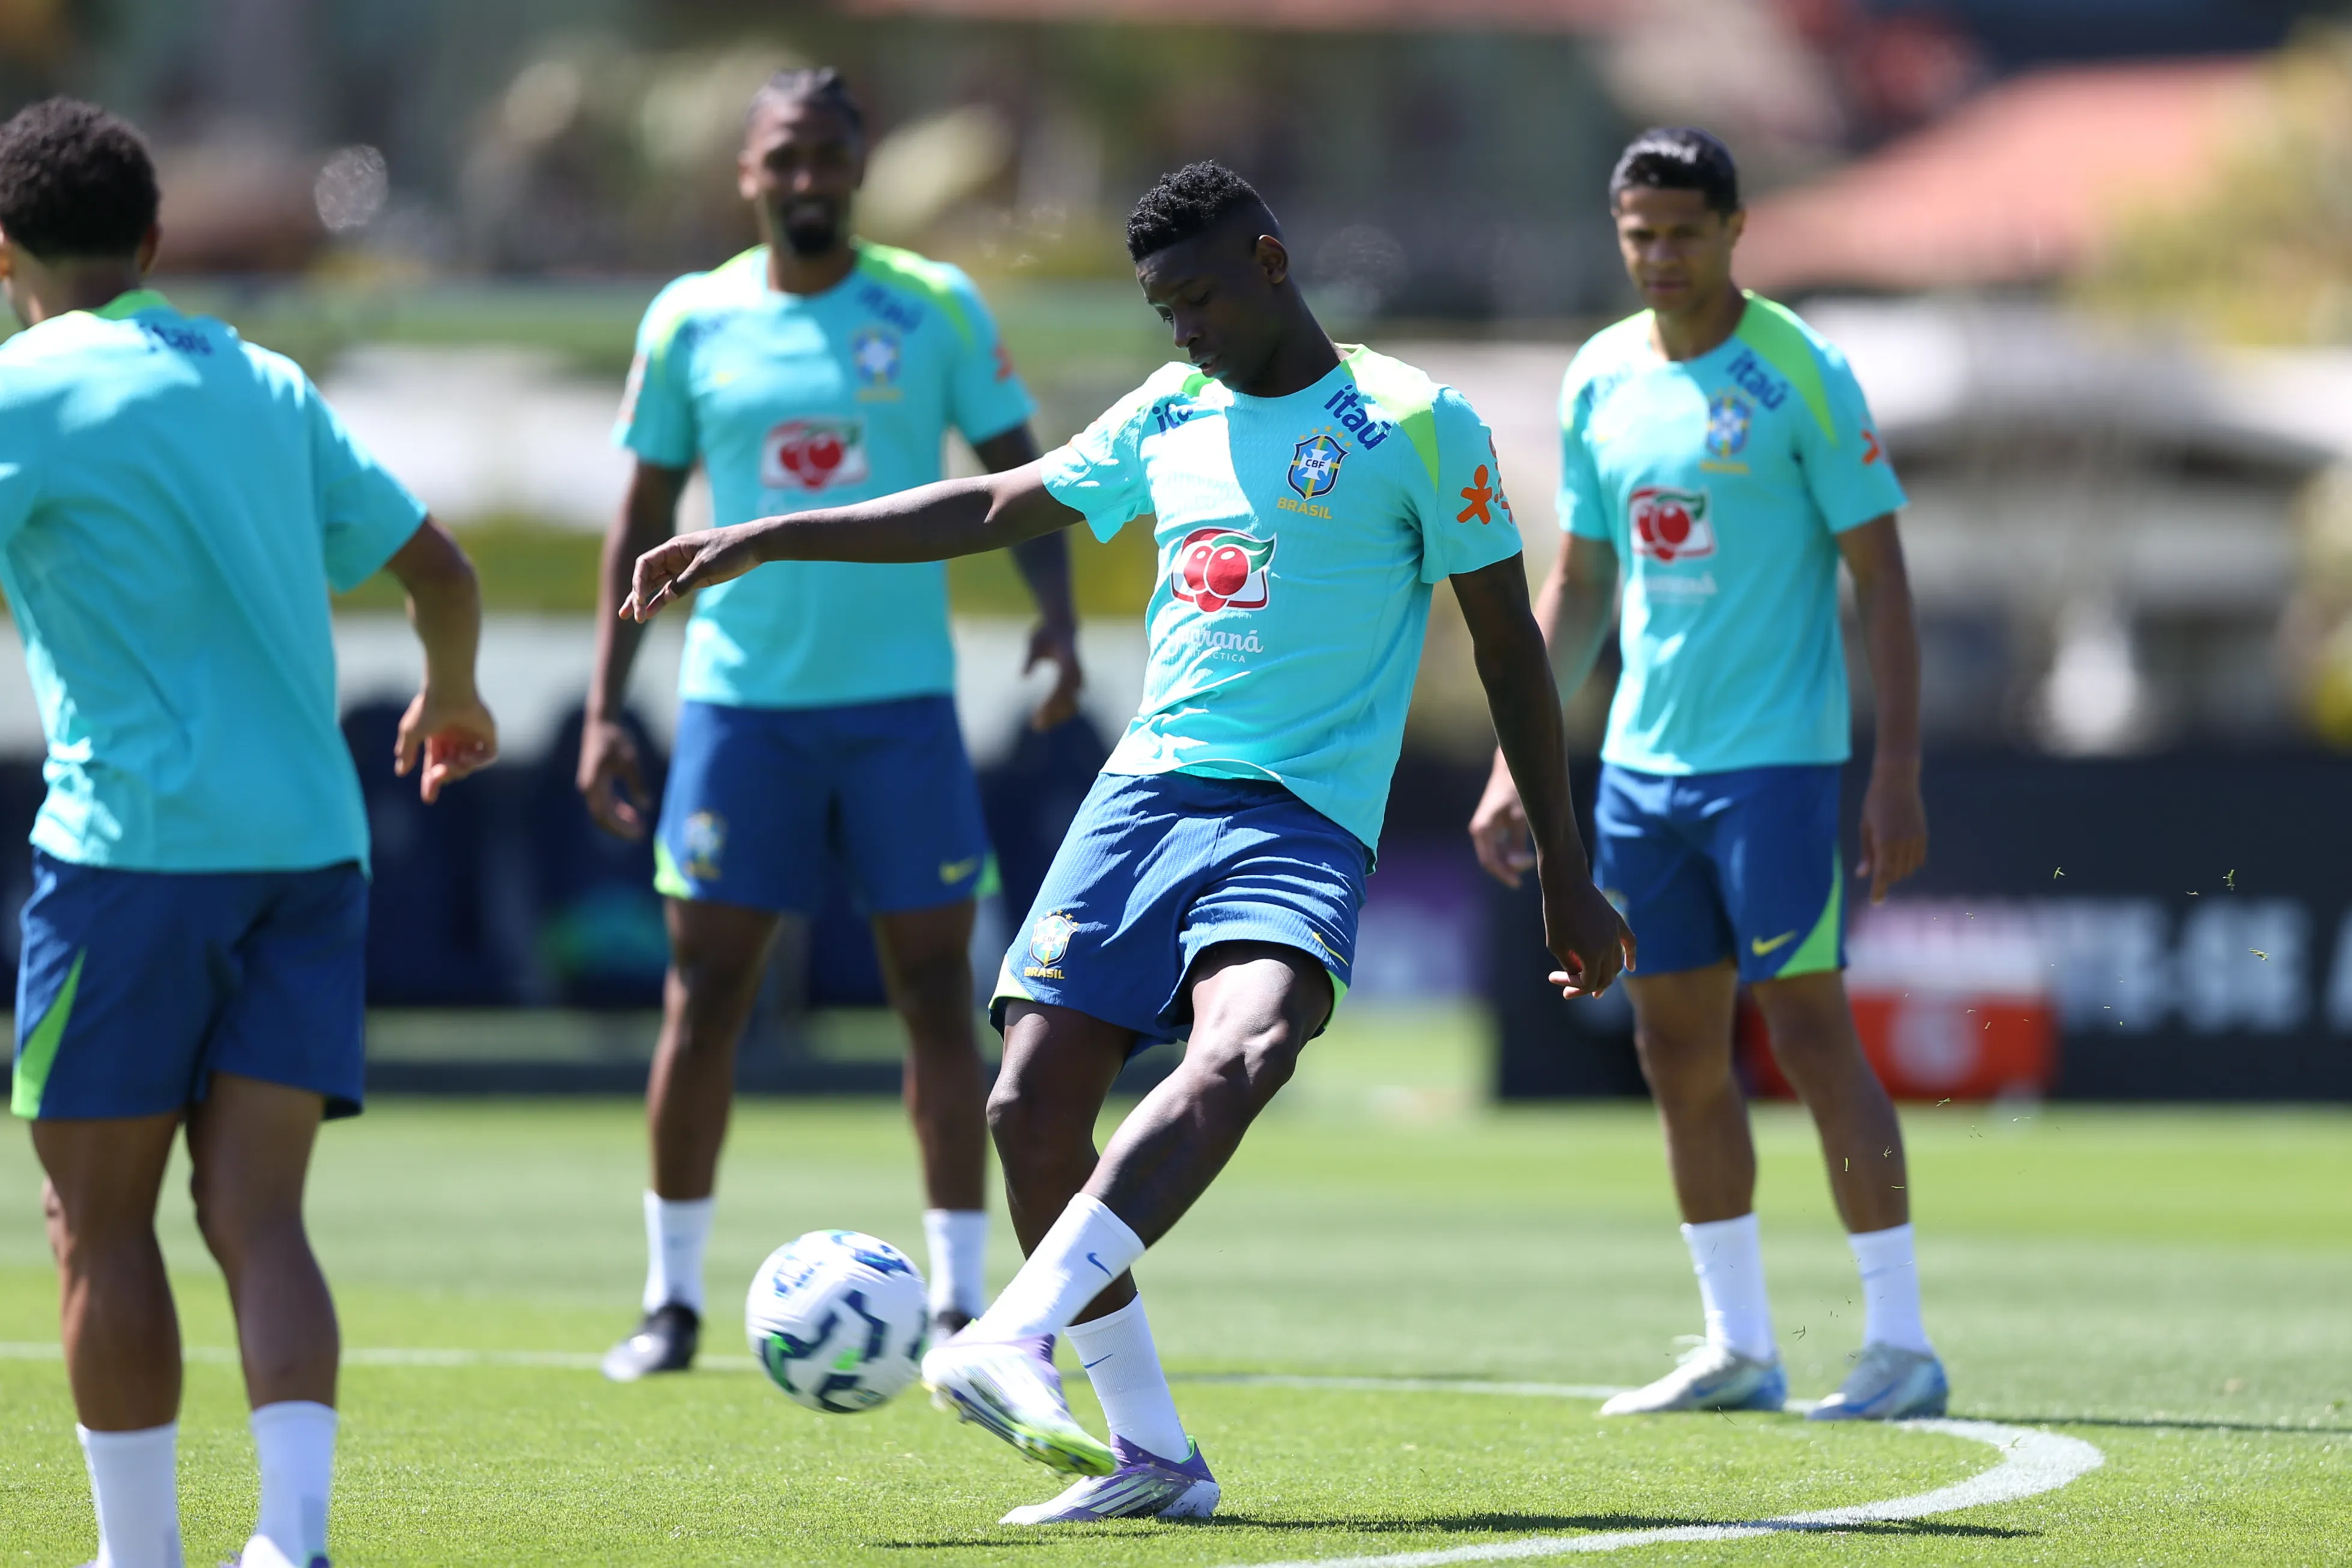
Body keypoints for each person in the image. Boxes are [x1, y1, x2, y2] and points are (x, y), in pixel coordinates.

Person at [621, 160, 1633, 1523]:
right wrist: (771, 534)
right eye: (1164, 309)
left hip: (1297, 816)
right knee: (1027, 1111)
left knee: (1246, 1047)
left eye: (1198, 297)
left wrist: (1566, 869)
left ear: (1269, 261)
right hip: (1142, 798)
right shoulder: (1167, 409)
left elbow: (1509, 648)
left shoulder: (1414, 422)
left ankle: (1013, 1331)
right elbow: (993, 504)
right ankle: (1152, 1453)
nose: (1184, 329)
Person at [0, 100, 497, 1568]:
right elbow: (442, 571)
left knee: (98, 1224)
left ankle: (138, 1555)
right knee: (258, 1219)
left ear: (4, 253)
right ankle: (292, 1541)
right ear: (155, 243)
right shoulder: (265, 381)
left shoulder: (20, 393)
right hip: (310, 852)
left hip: (133, 859)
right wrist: (455, 698)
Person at [583, 68, 1082, 1381]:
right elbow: (639, 521)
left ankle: (961, 1305)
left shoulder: (932, 306)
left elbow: (1019, 473)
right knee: (706, 993)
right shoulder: (690, 318)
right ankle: (670, 1302)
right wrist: (604, 707)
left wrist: (1058, 620)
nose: (804, 177)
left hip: (899, 709)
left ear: (859, 167)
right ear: (746, 172)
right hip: (739, 708)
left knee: (935, 994)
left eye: (826, 155)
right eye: (783, 156)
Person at [1468, 127, 1943, 1420]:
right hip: (1640, 771)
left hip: (1776, 767)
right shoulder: (1597, 376)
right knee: (1673, 1044)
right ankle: (1739, 1347)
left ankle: (1900, 1345)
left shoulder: (1800, 372)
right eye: (1640, 234)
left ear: (1735, 229)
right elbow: (1582, 581)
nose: (1661, 254)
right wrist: (1518, 759)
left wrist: (1895, 770)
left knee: (1807, 1032)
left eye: (1685, 231)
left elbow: (1883, 579)